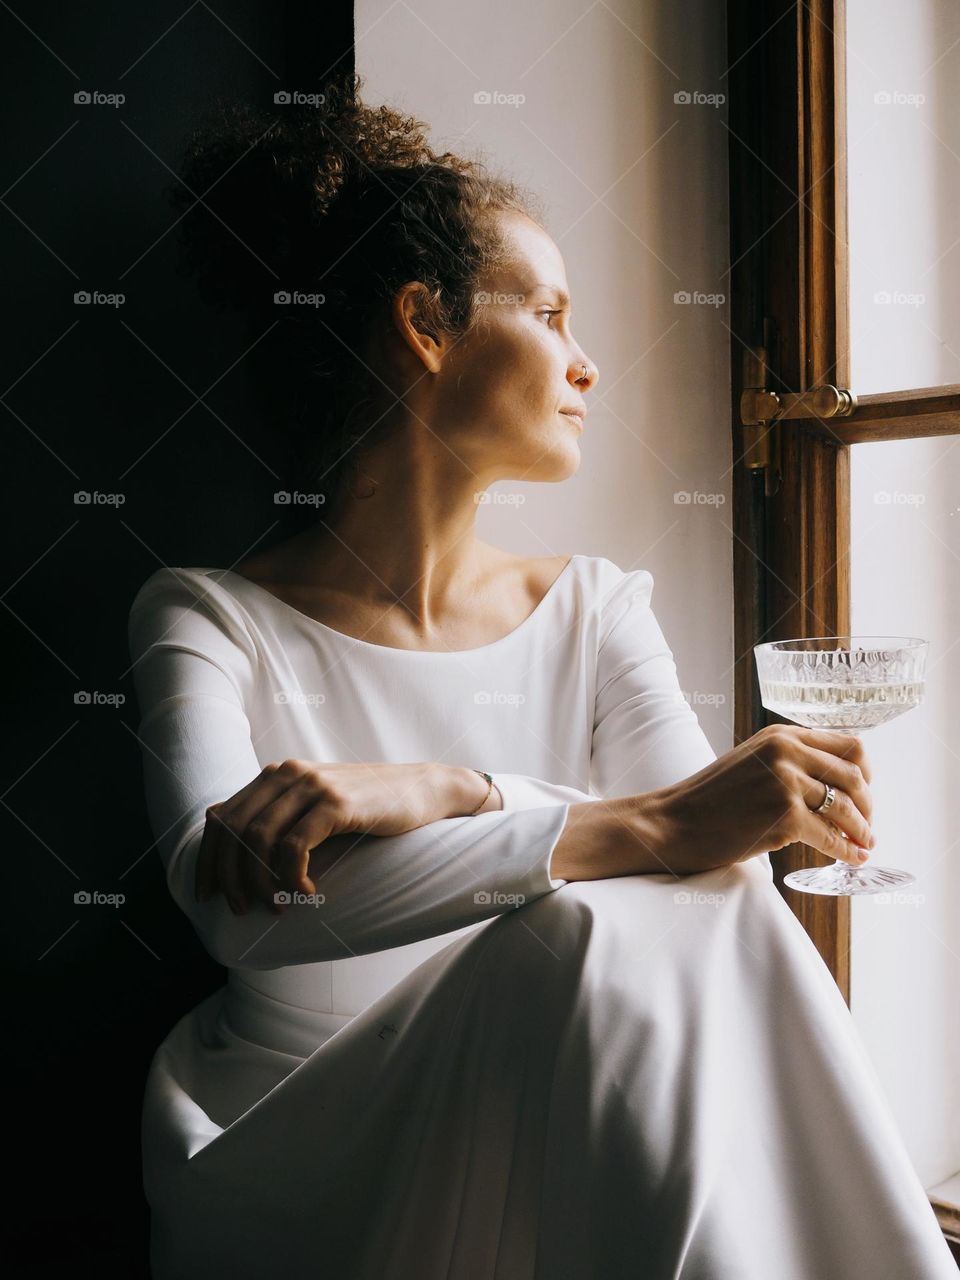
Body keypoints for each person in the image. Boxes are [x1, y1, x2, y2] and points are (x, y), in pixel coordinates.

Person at [128, 74, 957, 1279]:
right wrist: (629, 824)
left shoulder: (594, 605)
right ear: (426, 324)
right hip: (303, 1147)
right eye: (554, 316)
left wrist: (455, 790)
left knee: (691, 910)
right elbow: (243, 914)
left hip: (545, 1118)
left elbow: (705, 867)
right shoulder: (207, 617)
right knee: (584, 928)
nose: (588, 366)